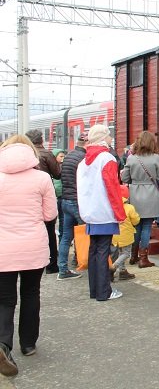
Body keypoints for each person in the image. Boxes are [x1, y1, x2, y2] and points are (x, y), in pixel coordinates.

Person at [0, 135, 58, 376]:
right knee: (31, 293)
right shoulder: (42, 178)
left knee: (4, 299)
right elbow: (50, 215)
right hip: (33, 246)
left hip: (3, 248)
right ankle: (28, 344)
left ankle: (3, 345)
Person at [77, 125, 125, 301]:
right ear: (103, 138)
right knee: (103, 252)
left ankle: (95, 291)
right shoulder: (107, 158)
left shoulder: (83, 162)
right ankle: (104, 291)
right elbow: (112, 188)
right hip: (104, 212)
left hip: (90, 212)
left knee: (94, 250)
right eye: (109, 136)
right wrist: (120, 214)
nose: (111, 139)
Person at [121, 131, 159, 268]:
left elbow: (124, 178)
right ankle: (143, 258)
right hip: (151, 194)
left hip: (135, 194)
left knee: (136, 226)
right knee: (147, 226)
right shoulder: (156, 158)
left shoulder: (132, 159)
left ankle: (133, 256)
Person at [25, 129, 61, 274]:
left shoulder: (25, 154)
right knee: (50, 230)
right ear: (41, 140)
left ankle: (32, 261)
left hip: (28, 196)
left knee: (31, 228)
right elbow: (57, 174)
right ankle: (52, 264)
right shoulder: (46, 154)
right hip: (45, 195)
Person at [57, 132, 88, 280]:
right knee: (87, 234)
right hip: (78, 201)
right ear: (87, 144)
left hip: (66, 200)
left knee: (66, 237)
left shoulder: (68, 156)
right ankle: (85, 263)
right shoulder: (83, 159)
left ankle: (62, 269)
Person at [110, 185, 139, 281]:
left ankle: (122, 271)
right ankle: (114, 266)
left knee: (120, 253)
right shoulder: (130, 207)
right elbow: (135, 221)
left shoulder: (113, 207)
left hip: (115, 235)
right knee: (126, 254)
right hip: (126, 236)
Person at [52, 149, 66, 241]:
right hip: (56, 197)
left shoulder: (63, 166)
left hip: (61, 197)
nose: (63, 158)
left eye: (63, 156)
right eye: (61, 156)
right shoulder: (53, 168)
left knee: (62, 220)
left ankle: (61, 239)